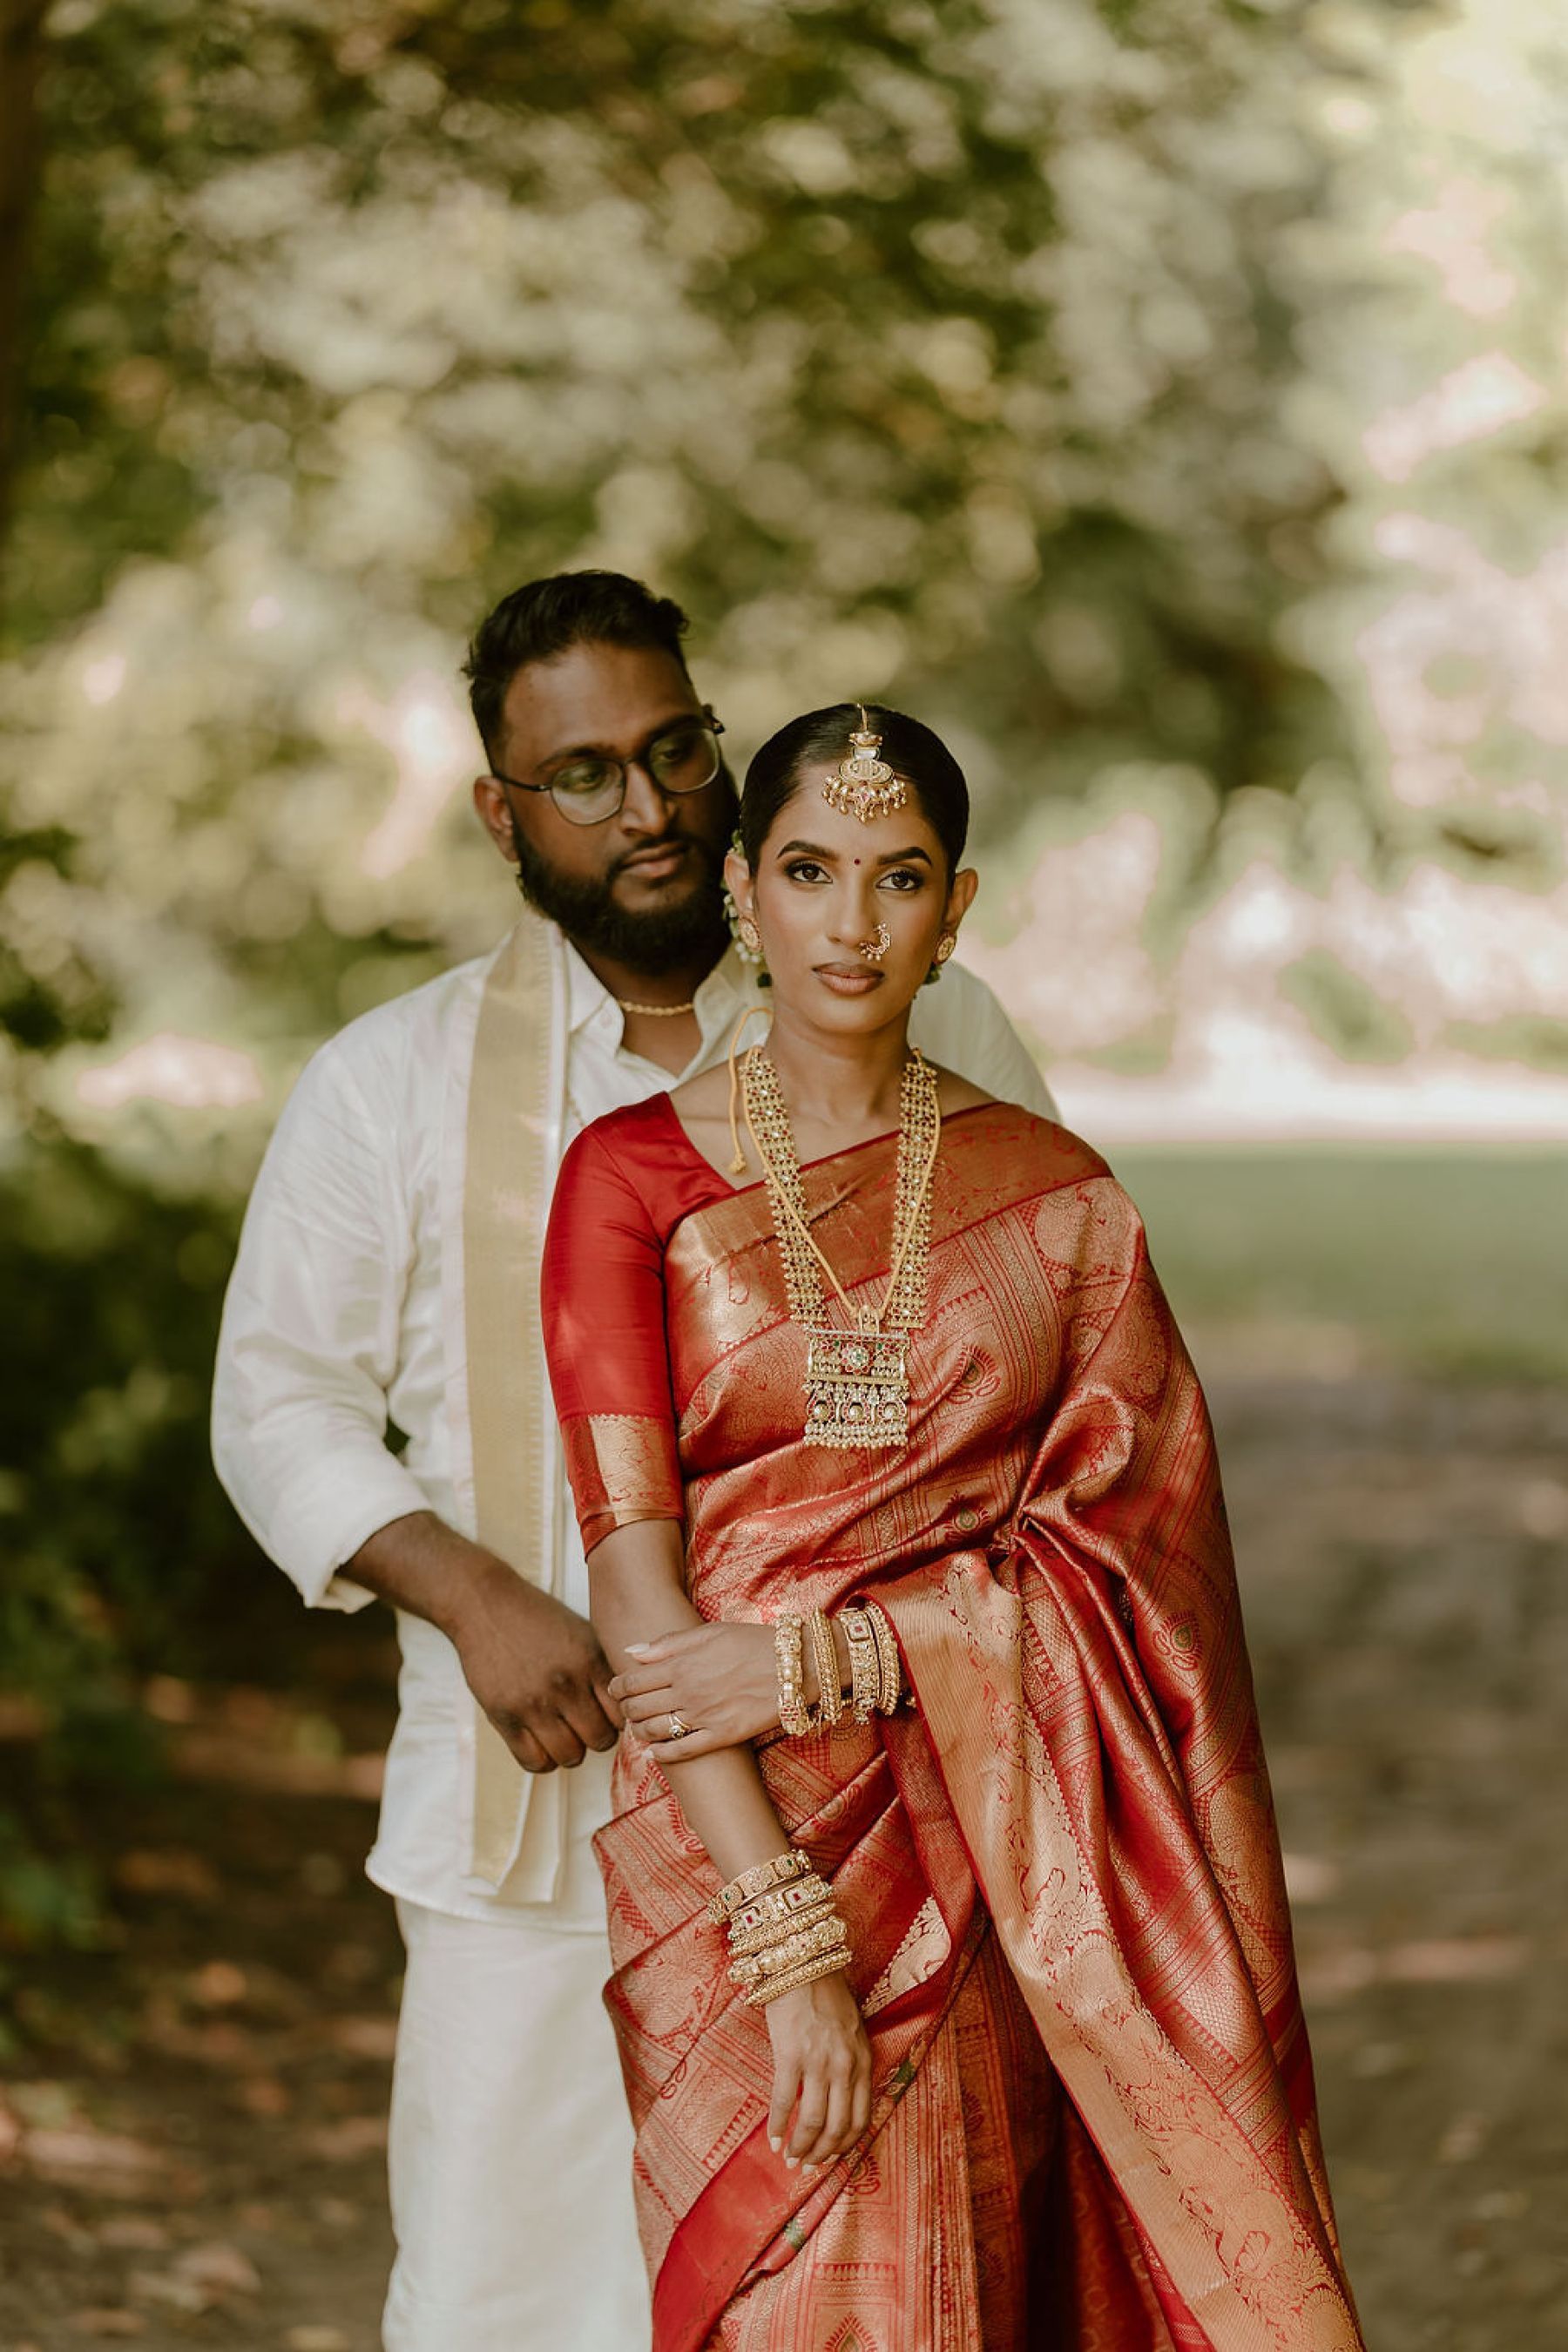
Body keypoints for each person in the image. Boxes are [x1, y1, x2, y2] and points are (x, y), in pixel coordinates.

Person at [210, 576, 1056, 2351]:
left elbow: (1031, 1390)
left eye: (675, 750)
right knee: (509, 2301)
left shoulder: (937, 1030)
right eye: (584, 773)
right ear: (499, 812)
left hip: (872, 1798)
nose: (650, 806)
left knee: (859, 2295)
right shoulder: (393, 1082)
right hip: (536, 1808)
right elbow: (277, 1402)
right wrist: (471, 1598)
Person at [540, 702, 1365, 2351]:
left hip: (1000, 1829)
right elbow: (637, 1581)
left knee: (986, 2287)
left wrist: (833, 1659)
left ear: (957, 910)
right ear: (741, 890)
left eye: (898, 876)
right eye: (809, 870)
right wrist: (785, 1939)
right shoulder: (624, 1181)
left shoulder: (1059, 1200)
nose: (851, 922)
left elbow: (1141, 1570)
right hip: (734, 1837)